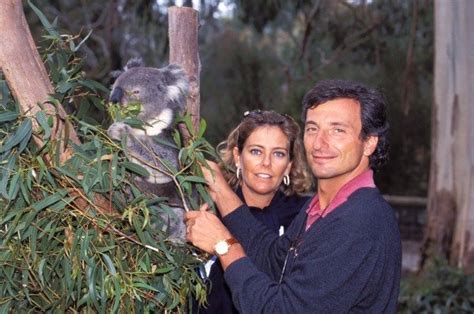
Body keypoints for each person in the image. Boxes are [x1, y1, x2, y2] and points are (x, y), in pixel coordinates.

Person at [186, 79, 402, 313]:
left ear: (369, 143)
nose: (319, 143)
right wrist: (219, 189)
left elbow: (282, 309)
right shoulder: (318, 209)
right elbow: (273, 260)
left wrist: (223, 245)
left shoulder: (361, 221)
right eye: (312, 129)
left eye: (337, 130)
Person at [197, 110, 312, 313]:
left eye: (278, 154)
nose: (266, 163)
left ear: (289, 165)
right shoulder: (207, 210)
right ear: (237, 157)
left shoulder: (305, 215)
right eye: (256, 151)